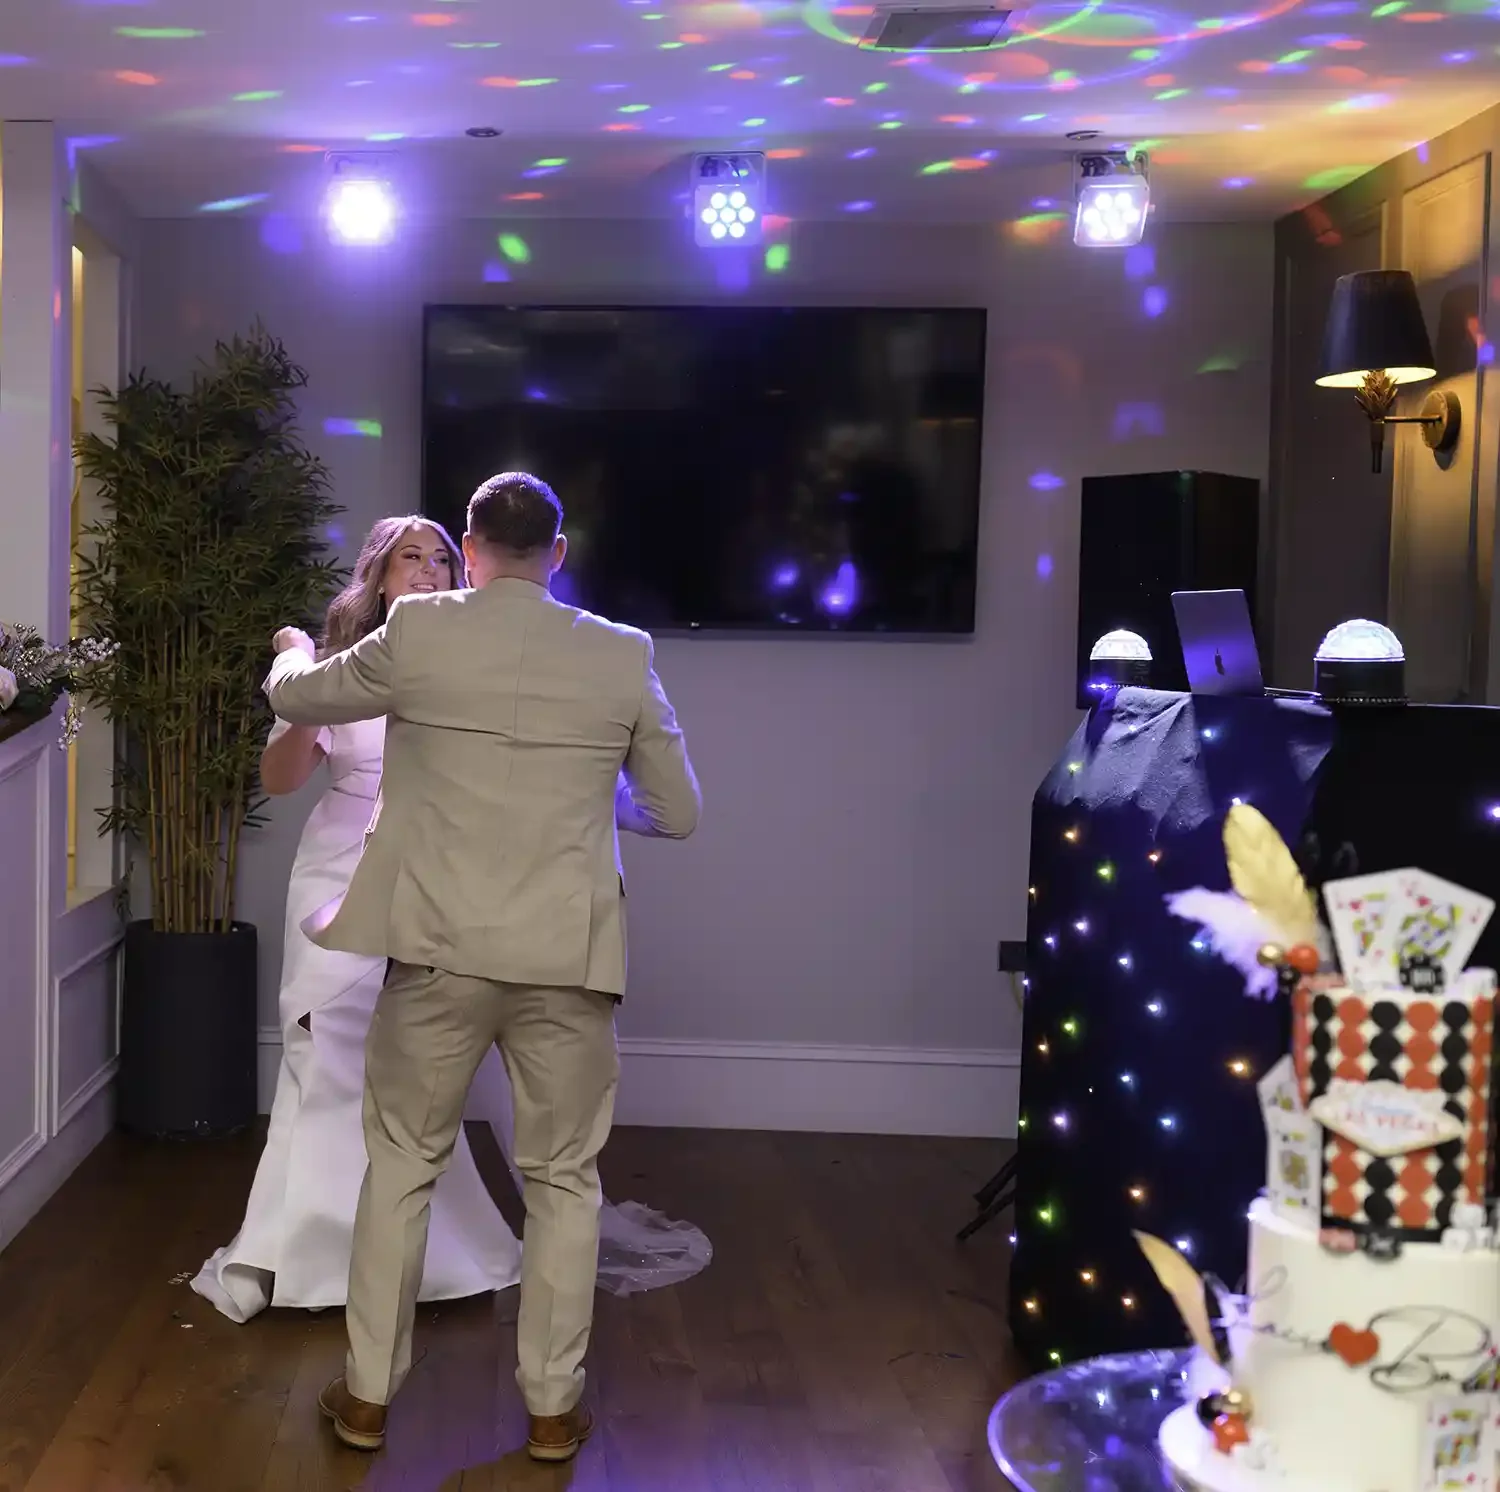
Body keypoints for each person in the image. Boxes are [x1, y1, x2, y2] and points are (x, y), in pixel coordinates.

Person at [263, 475, 701, 1465]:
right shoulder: (622, 652)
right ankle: (551, 1409)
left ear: (470, 546)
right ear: (558, 551)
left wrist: (290, 648)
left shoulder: (420, 631)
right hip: (566, 963)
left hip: (437, 953)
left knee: (400, 1172)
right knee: (563, 1183)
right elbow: (678, 812)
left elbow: (298, 697)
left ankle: (366, 1397)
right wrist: (591, 795)